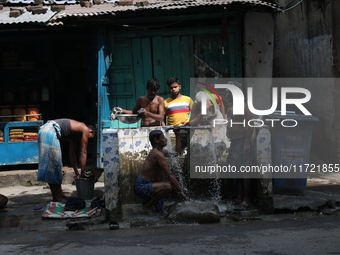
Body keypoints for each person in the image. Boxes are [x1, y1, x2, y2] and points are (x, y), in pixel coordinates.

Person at [37, 119, 96, 203]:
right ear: (91, 131)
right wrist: (83, 172)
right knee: (53, 166)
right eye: (91, 138)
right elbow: (83, 152)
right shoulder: (85, 129)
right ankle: (57, 197)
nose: (88, 140)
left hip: (46, 130)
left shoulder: (74, 134)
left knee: (54, 166)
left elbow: (72, 154)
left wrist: (77, 173)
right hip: (49, 131)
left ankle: (59, 196)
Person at [134, 129, 189, 215]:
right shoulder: (157, 154)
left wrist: (177, 134)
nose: (166, 139)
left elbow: (177, 153)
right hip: (141, 187)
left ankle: (149, 203)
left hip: (150, 185)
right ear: (156, 141)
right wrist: (181, 190)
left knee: (159, 211)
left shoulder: (161, 152)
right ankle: (148, 205)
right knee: (169, 186)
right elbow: (169, 174)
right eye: (163, 138)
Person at [225, 82, 253, 209]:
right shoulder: (231, 107)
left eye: (229, 91)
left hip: (242, 141)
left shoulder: (243, 106)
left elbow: (251, 123)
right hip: (235, 141)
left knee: (244, 171)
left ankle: (247, 198)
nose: (227, 94)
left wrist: (247, 142)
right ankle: (240, 196)